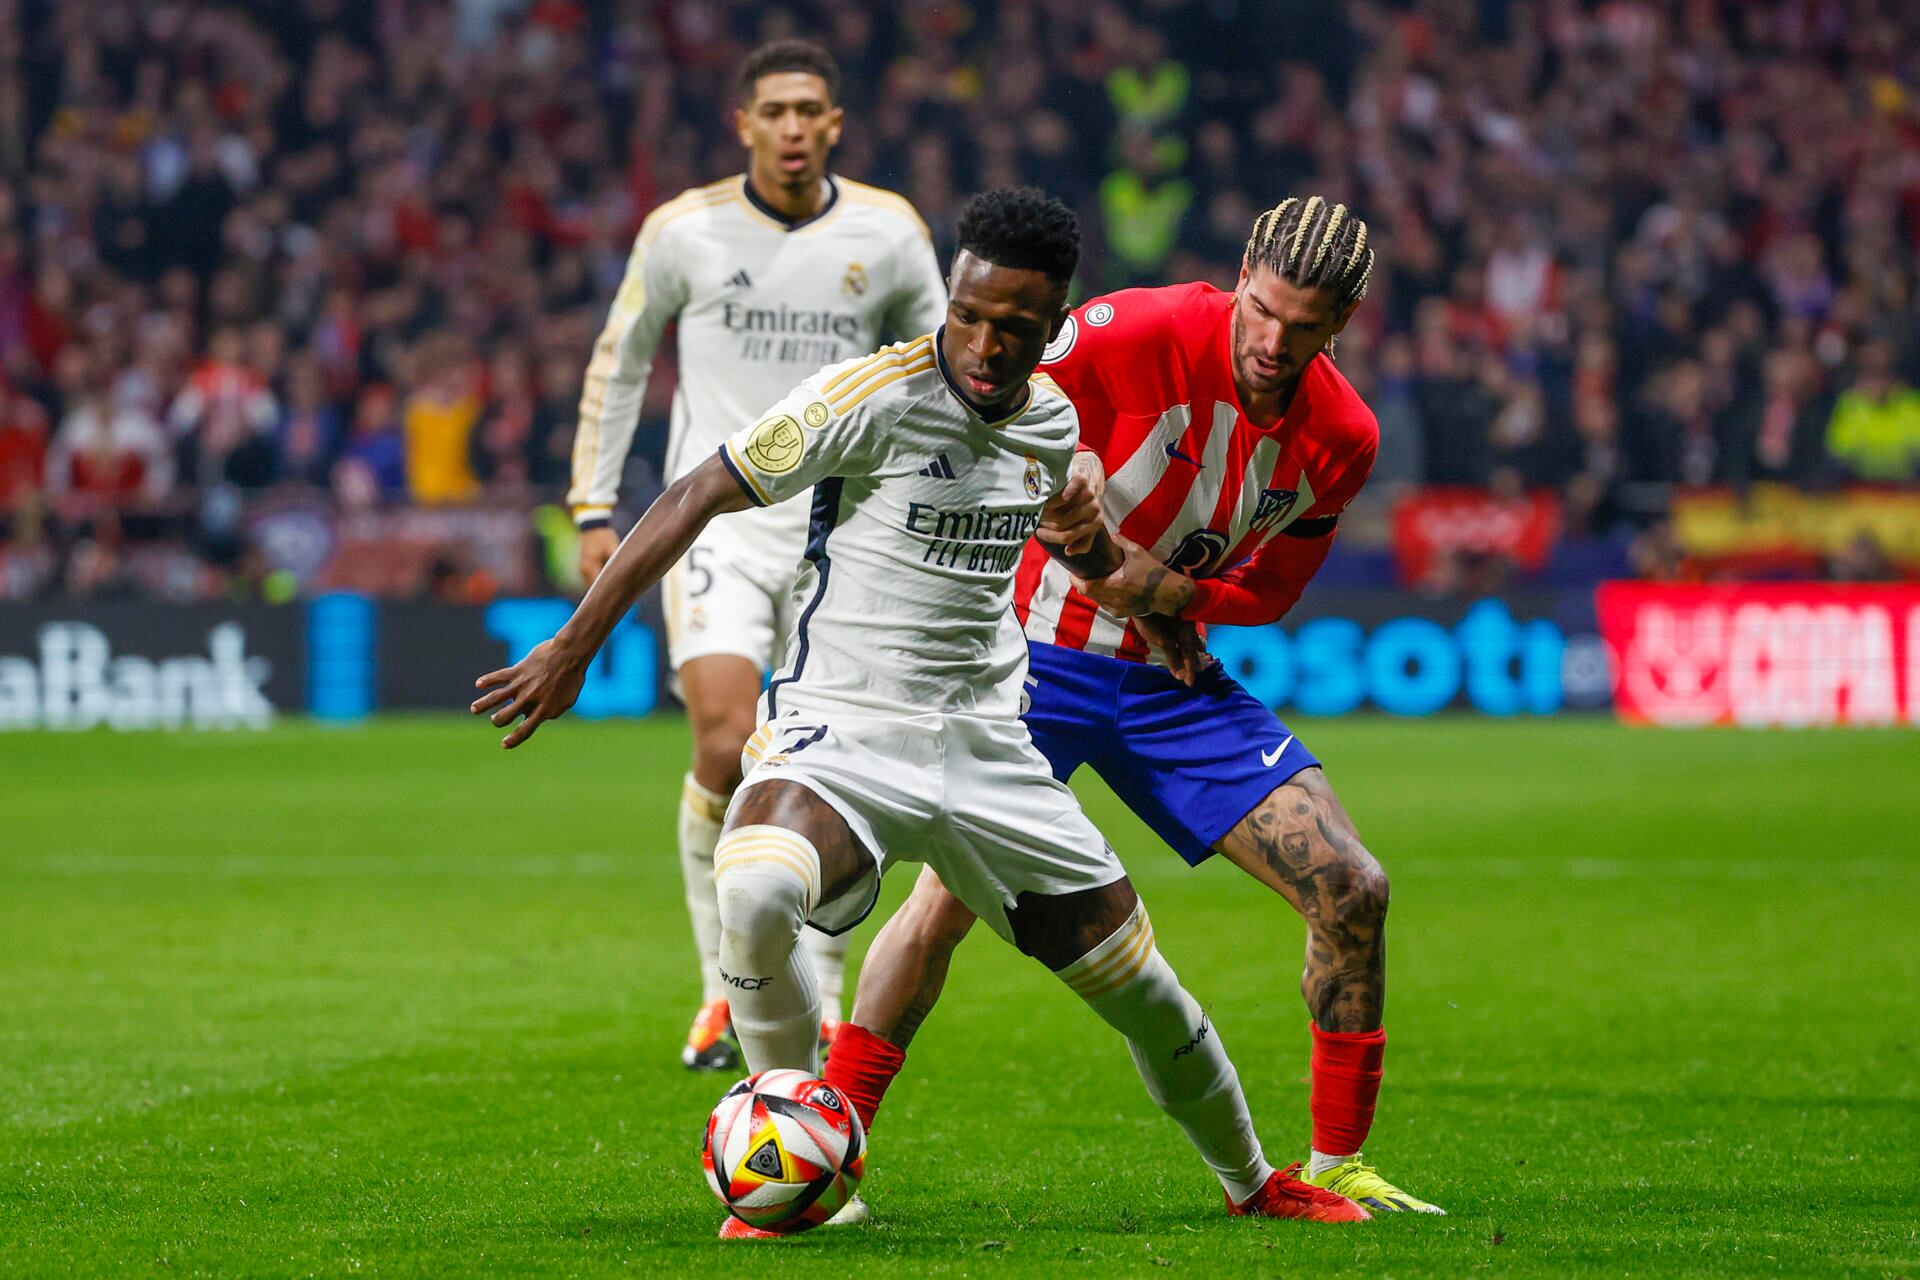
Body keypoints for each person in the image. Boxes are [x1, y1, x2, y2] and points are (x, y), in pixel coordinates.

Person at [474, 188, 1369, 1234]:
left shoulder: (1051, 419)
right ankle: (792, 1159)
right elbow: (694, 493)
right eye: (969, 315)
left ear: (1051, 326)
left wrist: (1140, 595)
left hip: (992, 746)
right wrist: (576, 644)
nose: (985, 345)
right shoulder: (871, 395)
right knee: (757, 888)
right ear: (950, 291)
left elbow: (1076, 537)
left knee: (1143, 989)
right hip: (845, 727)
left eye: (1015, 328)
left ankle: (1256, 1181)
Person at [822, 196, 1446, 1215]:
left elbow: (1274, 591)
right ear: (1243, 273)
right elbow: (988, 396)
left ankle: (1336, 1162)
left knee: (1354, 887)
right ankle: (831, 1151)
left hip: (1171, 677)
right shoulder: (1137, 330)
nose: (1272, 343)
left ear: (1344, 323)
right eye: (1263, 313)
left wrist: (1163, 597)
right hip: (1034, 657)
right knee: (945, 902)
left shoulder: (1345, 436)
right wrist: (1064, 527)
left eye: (1304, 328)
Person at [565, 39, 948, 1070]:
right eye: (772, 109)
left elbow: (949, 371)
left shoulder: (890, 234)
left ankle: (818, 990)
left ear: (834, 124)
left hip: (844, 531)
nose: (790, 127)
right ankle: (722, 988)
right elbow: (622, 358)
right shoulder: (684, 232)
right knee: (728, 743)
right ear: (743, 124)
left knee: (825, 756)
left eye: (808, 110)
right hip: (715, 522)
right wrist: (595, 503)